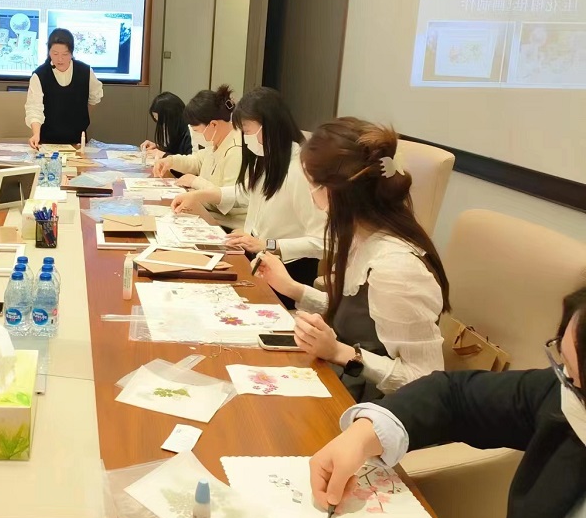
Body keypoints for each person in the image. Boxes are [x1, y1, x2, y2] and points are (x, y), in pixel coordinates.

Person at [310, 287, 586, 518]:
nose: (564, 381)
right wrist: (364, 434)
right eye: (564, 366)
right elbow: (453, 396)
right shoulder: (561, 391)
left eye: (573, 377)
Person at [255, 117, 448, 401]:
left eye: (311, 184)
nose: (310, 194)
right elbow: (360, 315)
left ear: (332, 192)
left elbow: (425, 381)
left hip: (377, 408)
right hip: (343, 380)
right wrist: (293, 289)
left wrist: (340, 352)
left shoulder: (395, 269)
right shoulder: (360, 238)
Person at [170, 88, 324, 305]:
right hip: (259, 258)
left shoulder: (299, 170)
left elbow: (321, 242)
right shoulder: (268, 156)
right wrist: (200, 195)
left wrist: (268, 244)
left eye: (248, 131)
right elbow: (246, 192)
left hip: (289, 270)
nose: (245, 138)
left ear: (270, 126)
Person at [152, 85, 245, 230]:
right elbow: (196, 161)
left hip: (226, 225)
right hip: (208, 213)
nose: (194, 134)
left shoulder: (236, 150)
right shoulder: (217, 142)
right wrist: (170, 161)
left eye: (196, 130)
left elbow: (228, 200)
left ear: (213, 125)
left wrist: (195, 182)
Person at [25, 28, 103, 148]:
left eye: (65, 54)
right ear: (49, 52)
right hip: (46, 141)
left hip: (77, 141)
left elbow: (94, 99)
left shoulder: (85, 71)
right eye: (55, 54)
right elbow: (34, 108)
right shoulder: (40, 75)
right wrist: (36, 134)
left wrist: (81, 118)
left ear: (71, 53)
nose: (60, 59)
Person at [141, 92, 192, 157]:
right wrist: (158, 147)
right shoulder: (177, 130)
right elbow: (175, 151)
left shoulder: (191, 133)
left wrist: (164, 154)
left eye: (163, 122)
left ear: (173, 117)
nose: (163, 127)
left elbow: (191, 161)